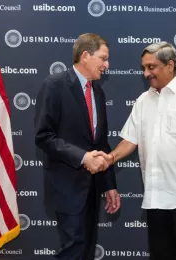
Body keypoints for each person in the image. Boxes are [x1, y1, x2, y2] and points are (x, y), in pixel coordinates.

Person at [94, 41, 176, 260]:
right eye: (144, 68)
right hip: (155, 199)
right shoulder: (143, 101)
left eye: (151, 67)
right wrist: (110, 158)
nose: (146, 73)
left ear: (170, 65)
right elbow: (130, 140)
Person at [34, 33, 120, 260]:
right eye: (103, 58)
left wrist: (109, 185)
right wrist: (83, 157)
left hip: (92, 190)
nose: (106, 65)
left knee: (87, 252)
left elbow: (100, 143)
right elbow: (44, 136)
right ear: (85, 56)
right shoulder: (54, 85)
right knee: (73, 251)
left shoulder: (98, 93)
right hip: (67, 189)